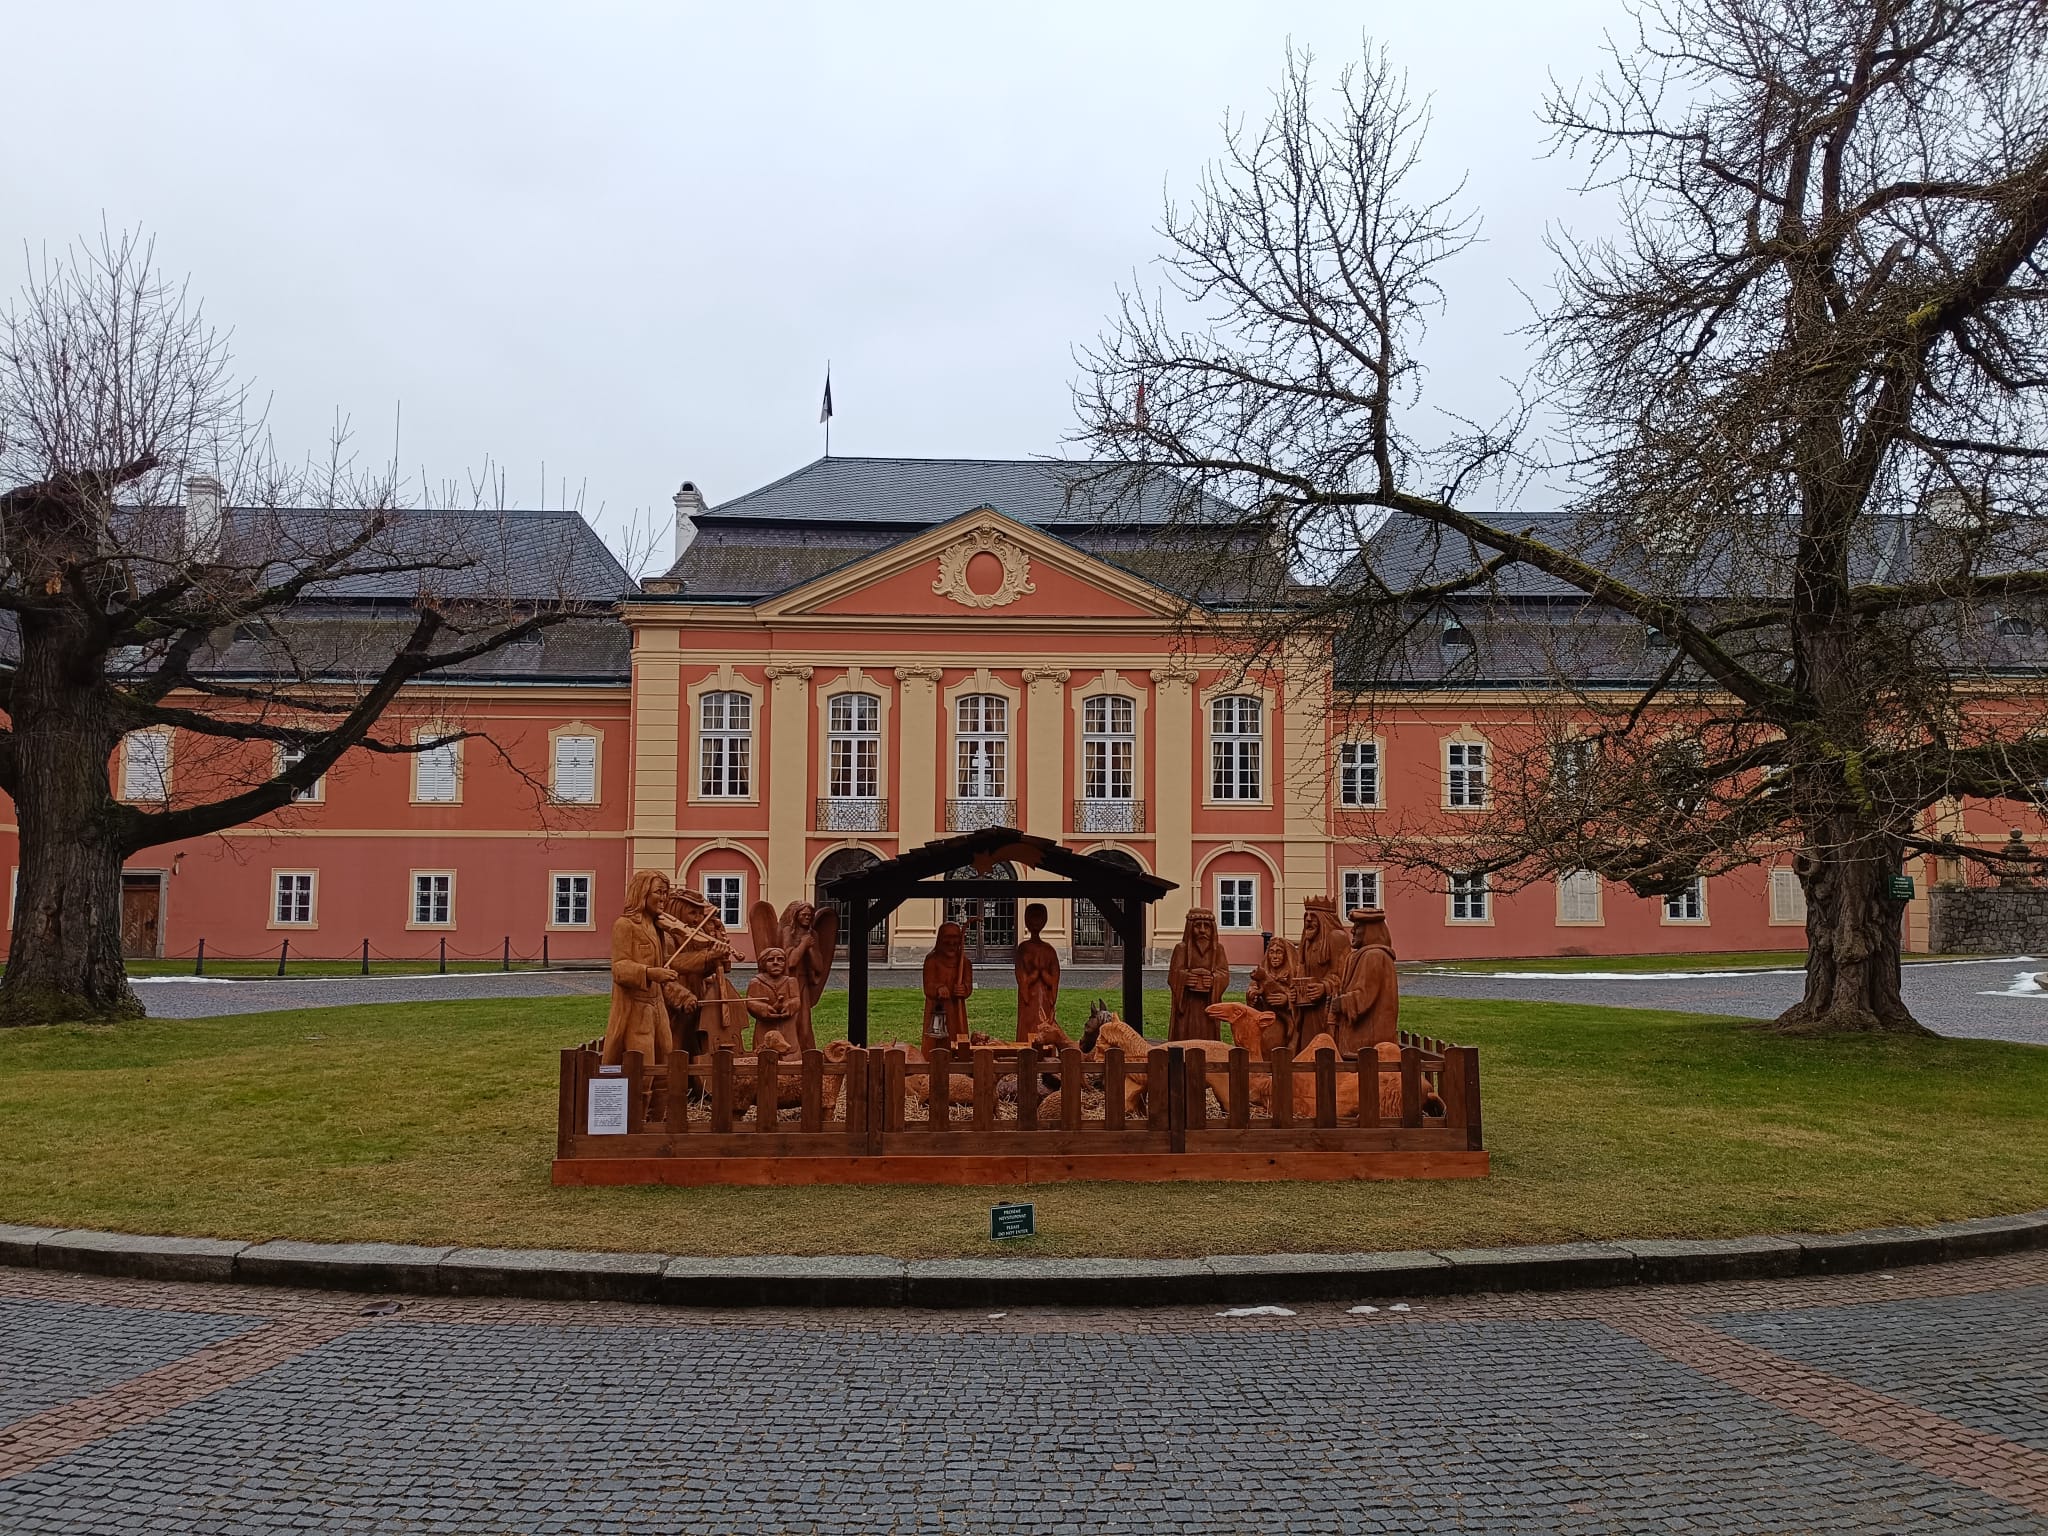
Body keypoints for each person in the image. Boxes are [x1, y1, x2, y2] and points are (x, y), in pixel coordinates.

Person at [605, 870, 687, 1075]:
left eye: (666, 893)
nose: (664, 898)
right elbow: (619, 968)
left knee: (665, 1061)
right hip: (636, 1007)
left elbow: (673, 961)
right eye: (659, 892)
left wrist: (707, 956)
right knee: (643, 1065)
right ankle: (639, 1098)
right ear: (642, 893)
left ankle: (661, 1098)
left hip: (658, 1005)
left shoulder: (658, 927)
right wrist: (650, 973)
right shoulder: (625, 925)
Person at [1331, 907, 1400, 1056]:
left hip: (1370, 1039)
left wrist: (1342, 1003)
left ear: (1370, 931)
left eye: (1358, 927)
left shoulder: (1374, 956)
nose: (1352, 931)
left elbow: (1365, 996)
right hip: (1360, 1037)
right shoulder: (1358, 956)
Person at [1167, 907, 1231, 1041]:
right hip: (1187, 1005)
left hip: (1207, 1002)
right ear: (1190, 928)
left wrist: (1214, 980)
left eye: (1206, 926)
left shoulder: (1218, 950)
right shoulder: (1181, 949)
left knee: (1208, 1033)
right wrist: (1185, 978)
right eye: (1197, 926)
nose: (1202, 930)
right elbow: (1173, 975)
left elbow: (1224, 974)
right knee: (1184, 1032)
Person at [1294, 896, 1347, 1046]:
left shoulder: (1337, 938)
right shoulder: (1307, 941)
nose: (1308, 919)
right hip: (1308, 1009)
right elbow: (1301, 970)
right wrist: (1295, 991)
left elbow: (1343, 974)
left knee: (1325, 1046)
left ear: (1325, 919)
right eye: (1306, 915)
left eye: (1314, 916)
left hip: (1326, 1008)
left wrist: (1324, 987)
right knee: (1307, 1047)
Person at [921, 920, 974, 1047]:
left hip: (956, 1009)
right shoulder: (932, 960)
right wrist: (938, 988)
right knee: (935, 1041)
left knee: (958, 1037)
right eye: (947, 940)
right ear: (940, 940)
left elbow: (968, 985)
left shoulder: (964, 962)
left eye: (955, 940)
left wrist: (964, 989)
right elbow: (927, 987)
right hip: (937, 1010)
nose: (951, 944)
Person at [1246, 933, 1302, 1051]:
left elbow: (1301, 995)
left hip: (1288, 1022)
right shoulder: (1263, 972)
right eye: (1271, 952)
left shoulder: (1295, 974)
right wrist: (1252, 995)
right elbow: (1253, 988)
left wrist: (1287, 999)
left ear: (1286, 955)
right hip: (1266, 1019)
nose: (1274, 956)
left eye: (1279, 952)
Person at [1013, 901, 1061, 1040]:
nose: (1035, 922)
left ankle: (1045, 1042)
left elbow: (1055, 977)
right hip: (1029, 998)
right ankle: (1025, 1042)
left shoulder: (1049, 950)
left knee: (1044, 1021)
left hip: (1044, 997)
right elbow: (1021, 977)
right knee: (1028, 1021)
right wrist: (1034, 975)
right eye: (1032, 917)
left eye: (1039, 917)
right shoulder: (1023, 949)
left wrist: (1043, 974)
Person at [745, 947, 807, 1051]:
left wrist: (788, 1006)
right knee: (764, 1052)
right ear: (763, 963)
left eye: (780, 959)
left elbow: (796, 999)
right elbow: (751, 1001)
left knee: (790, 1051)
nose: (776, 963)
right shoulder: (756, 982)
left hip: (786, 1026)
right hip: (765, 1025)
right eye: (770, 960)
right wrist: (765, 1008)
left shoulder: (791, 981)